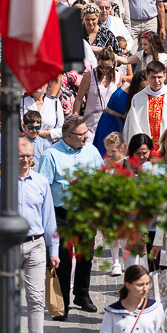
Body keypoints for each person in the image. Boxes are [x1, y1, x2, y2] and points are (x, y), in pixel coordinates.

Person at [0, 138, 53, 333]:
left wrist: (54, 249)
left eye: (29, 156)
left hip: (36, 245)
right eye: (21, 156)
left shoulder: (41, 182)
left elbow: (49, 219)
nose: (25, 160)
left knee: (36, 299)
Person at [38, 114, 103, 320]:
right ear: (67, 135)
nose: (87, 136)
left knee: (86, 257)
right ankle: (61, 302)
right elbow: (44, 188)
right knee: (63, 261)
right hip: (61, 215)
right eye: (82, 134)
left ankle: (82, 295)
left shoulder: (91, 151)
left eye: (86, 132)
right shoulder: (51, 155)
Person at [123, 61, 167, 150]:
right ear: (147, 77)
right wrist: (142, 145)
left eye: (159, 77)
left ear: (165, 76)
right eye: (153, 77)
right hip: (145, 150)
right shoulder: (138, 98)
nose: (156, 81)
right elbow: (134, 125)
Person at [97, 265, 165, 333]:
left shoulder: (156, 308)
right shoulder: (112, 312)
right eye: (140, 285)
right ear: (128, 285)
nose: (145, 289)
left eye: (147, 284)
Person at [73, 47, 120, 143]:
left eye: (108, 67)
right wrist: (76, 120)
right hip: (91, 126)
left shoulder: (118, 76)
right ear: (97, 61)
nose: (105, 70)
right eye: (101, 66)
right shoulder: (89, 75)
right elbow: (78, 99)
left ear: (113, 64)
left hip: (110, 125)